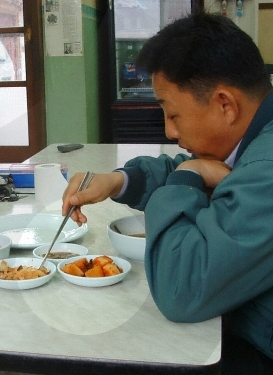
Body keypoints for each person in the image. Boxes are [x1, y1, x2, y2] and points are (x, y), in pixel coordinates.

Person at [62, 13, 273, 375]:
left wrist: (186, 177)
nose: (170, 131)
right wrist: (118, 180)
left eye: (173, 115)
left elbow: (182, 290)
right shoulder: (257, 136)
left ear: (226, 105)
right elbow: (200, 164)